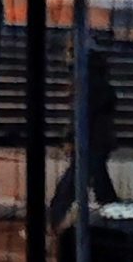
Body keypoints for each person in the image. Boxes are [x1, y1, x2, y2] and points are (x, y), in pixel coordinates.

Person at [47, 42, 121, 227]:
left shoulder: (87, 81)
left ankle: (52, 224)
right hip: (98, 140)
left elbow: (81, 114)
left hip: (90, 141)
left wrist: (70, 137)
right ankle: (120, 221)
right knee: (100, 185)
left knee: (70, 185)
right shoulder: (97, 79)